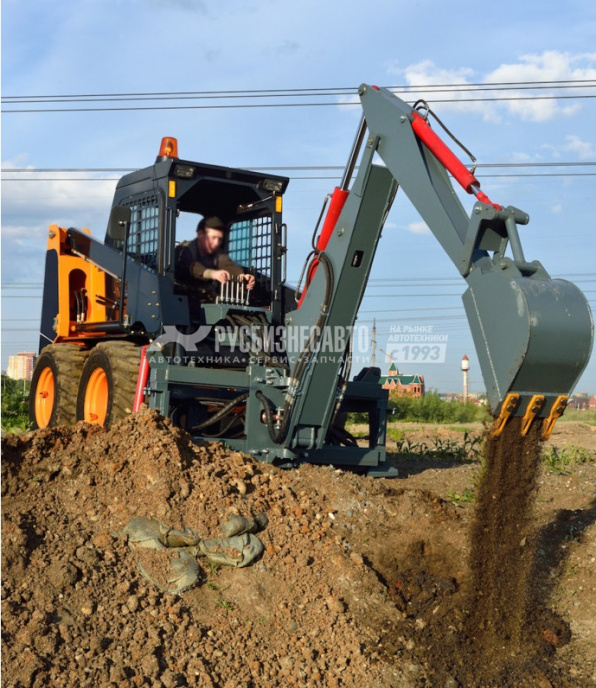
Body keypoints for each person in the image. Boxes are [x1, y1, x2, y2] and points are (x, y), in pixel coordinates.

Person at [175, 216, 255, 299]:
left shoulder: (216, 253)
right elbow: (191, 267)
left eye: (219, 239)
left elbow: (227, 265)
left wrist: (242, 277)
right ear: (200, 234)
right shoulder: (184, 249)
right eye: (213, 238)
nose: (216, 242)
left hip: (204, 297)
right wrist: (212, 273)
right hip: (181, 297)